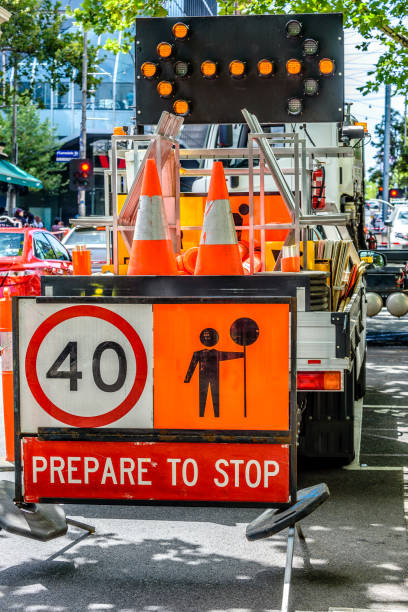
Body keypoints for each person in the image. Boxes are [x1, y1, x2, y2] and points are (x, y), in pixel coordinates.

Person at [184, 327, 244, 418]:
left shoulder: (215, 353)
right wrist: (187, 379)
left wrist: (242, 354)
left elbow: (228, 355)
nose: (207, 338)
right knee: (203, 397)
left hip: (213, 377)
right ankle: (203, 415)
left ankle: (216, 416)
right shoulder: (198, 353)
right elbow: (192, 366)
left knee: (215, 397)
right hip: (204, 377)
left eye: (208, 336)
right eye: (205, 336)